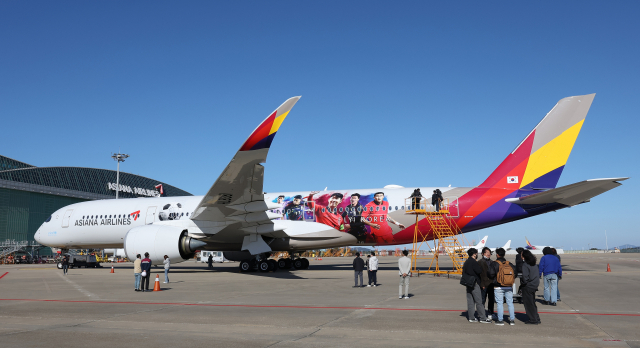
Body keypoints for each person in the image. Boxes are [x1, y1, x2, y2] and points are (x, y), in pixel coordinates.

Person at [488, 248, 516, 325]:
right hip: (509, 286)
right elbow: (515, 273)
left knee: (499, 303)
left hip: (498, 286)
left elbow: (490, 274)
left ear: (497, 254)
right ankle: (512, 320)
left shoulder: (494, 263)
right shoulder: (509, 263)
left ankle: (500, 320)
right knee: (510, 303)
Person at [463, 248, 491, 323]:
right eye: (476, 253)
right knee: (479, 301)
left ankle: (471, 317)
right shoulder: (474, 262)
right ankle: (483, 318)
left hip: (468, 283)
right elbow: (479, 271)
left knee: (470, 301)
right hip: (474, 283)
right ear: (474, 254)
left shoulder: (466, 262)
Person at [521, 250, 541, 324]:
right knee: (532, 303)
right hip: (534, 285)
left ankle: (533, 319)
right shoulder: (534, 264)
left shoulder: (525, 265)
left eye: (521, 255)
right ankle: (536, 317)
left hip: (528, 286)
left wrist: (522, 284)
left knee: (529, 304)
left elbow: (525, 278)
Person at [478, 247, 495, 319]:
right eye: (486, 252)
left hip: (491, 284)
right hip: (484, 284)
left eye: (489, 252)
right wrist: (482, 284)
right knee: (482, 300)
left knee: (491, 300)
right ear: (482, 254)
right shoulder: (480, 262)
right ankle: (481, 314)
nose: (488, 254)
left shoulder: (492, 262)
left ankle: (490, 313)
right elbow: (479, 275)